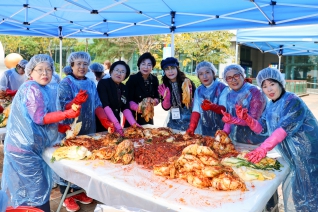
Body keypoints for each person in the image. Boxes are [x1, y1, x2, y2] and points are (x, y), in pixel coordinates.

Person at [1, 54, 81, 211]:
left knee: (33, 190)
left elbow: (44, 117)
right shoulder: (32, 88)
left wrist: (60, 126)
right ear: (30, 71)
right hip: (24, 150)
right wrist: (66, 115)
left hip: (32, 147)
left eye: (48, 69)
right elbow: (40, 118)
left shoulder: (45, 88)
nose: (45, 73)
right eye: (40, 69)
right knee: (38, 191)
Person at [242, 67, 318, 212]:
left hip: (307, 155)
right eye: (264, 86)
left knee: (311, 193)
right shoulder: (270, 105)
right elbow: (263, 128)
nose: (269, 89)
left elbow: (284, 127)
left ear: (280, 83)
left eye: (272, 84)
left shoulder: (292, 100)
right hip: (292, 157)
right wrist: (248, 119)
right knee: (298, 192)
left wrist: (264, 148)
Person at [57, 51, 115, 211]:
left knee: (84, 159)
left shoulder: (90, 83)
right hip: (69, 128)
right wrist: (73, 103)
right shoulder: (65, 83)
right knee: (69, 160)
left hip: (89, 129)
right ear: (72, 65)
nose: (82, 67)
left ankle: (78, 191)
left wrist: (104, 119)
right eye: (78, 64)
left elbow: (97, 104)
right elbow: (61, 106)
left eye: (85, 64)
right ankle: (65, 195)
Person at [220, 64, 268, 144]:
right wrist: (224, 133)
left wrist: (233, 120)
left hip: (257, 140)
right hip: (238, 140)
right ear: (226, 80)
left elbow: (253, 119)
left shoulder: (255, 92)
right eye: (229, 78)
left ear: (243, 76)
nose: (233, 80)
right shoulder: (230, 95)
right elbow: (230, 117)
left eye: (236, 76)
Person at [186, 61, 229, 136]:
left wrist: (212, 107)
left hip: (222, 129)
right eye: (201, 74)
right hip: (204, 129)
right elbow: (196, 110)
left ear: (213, 73)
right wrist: (192, 127)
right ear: (198, 76)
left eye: (207, 72)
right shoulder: (199, 90)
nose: (204, 76)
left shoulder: (222, 88)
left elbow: (224, 109)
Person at [97, 61, 139, 134]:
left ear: (125, 75)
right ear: (112, 71)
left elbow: (125, 107)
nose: (119, 73)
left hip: (117, 123)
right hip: (104, 123)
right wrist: (116, 124)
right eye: (117, 70)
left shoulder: (124, 88)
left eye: (122, 72)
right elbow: (105, 105)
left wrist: (133, 123)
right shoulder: (103, 83)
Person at [158, 57, 195, 131]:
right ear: (164, 71)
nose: (170, 71)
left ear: (177, 68)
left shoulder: (187, 83)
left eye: (172, 68)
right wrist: (167, 99)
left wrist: (190, 100)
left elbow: (195, 104)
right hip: (173, 120)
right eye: (167, 69)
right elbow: (166, 108)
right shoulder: (164, 85)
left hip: (189, 120)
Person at [125, 52, 160, 127]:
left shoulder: (154, 79)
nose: (146, 67)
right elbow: (128, 98)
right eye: (143, 64)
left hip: (148, 115)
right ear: (139, 65)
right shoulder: (133, 79)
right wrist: (138, 107)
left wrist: (155, 101)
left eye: (149, 65)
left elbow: (157, 96)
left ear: (152, 67)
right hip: (134, 116)